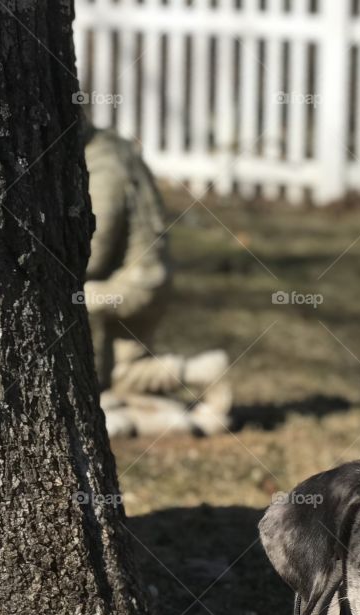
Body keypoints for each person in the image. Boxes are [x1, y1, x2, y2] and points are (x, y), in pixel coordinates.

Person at [83, 118, 232, 437]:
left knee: (77, 301)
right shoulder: (112, 148)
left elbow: (94, 249)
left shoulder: (103, 165)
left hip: (135, 283)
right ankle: (203, 372)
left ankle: (85, 398)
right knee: (123, 374)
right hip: (149, 277)